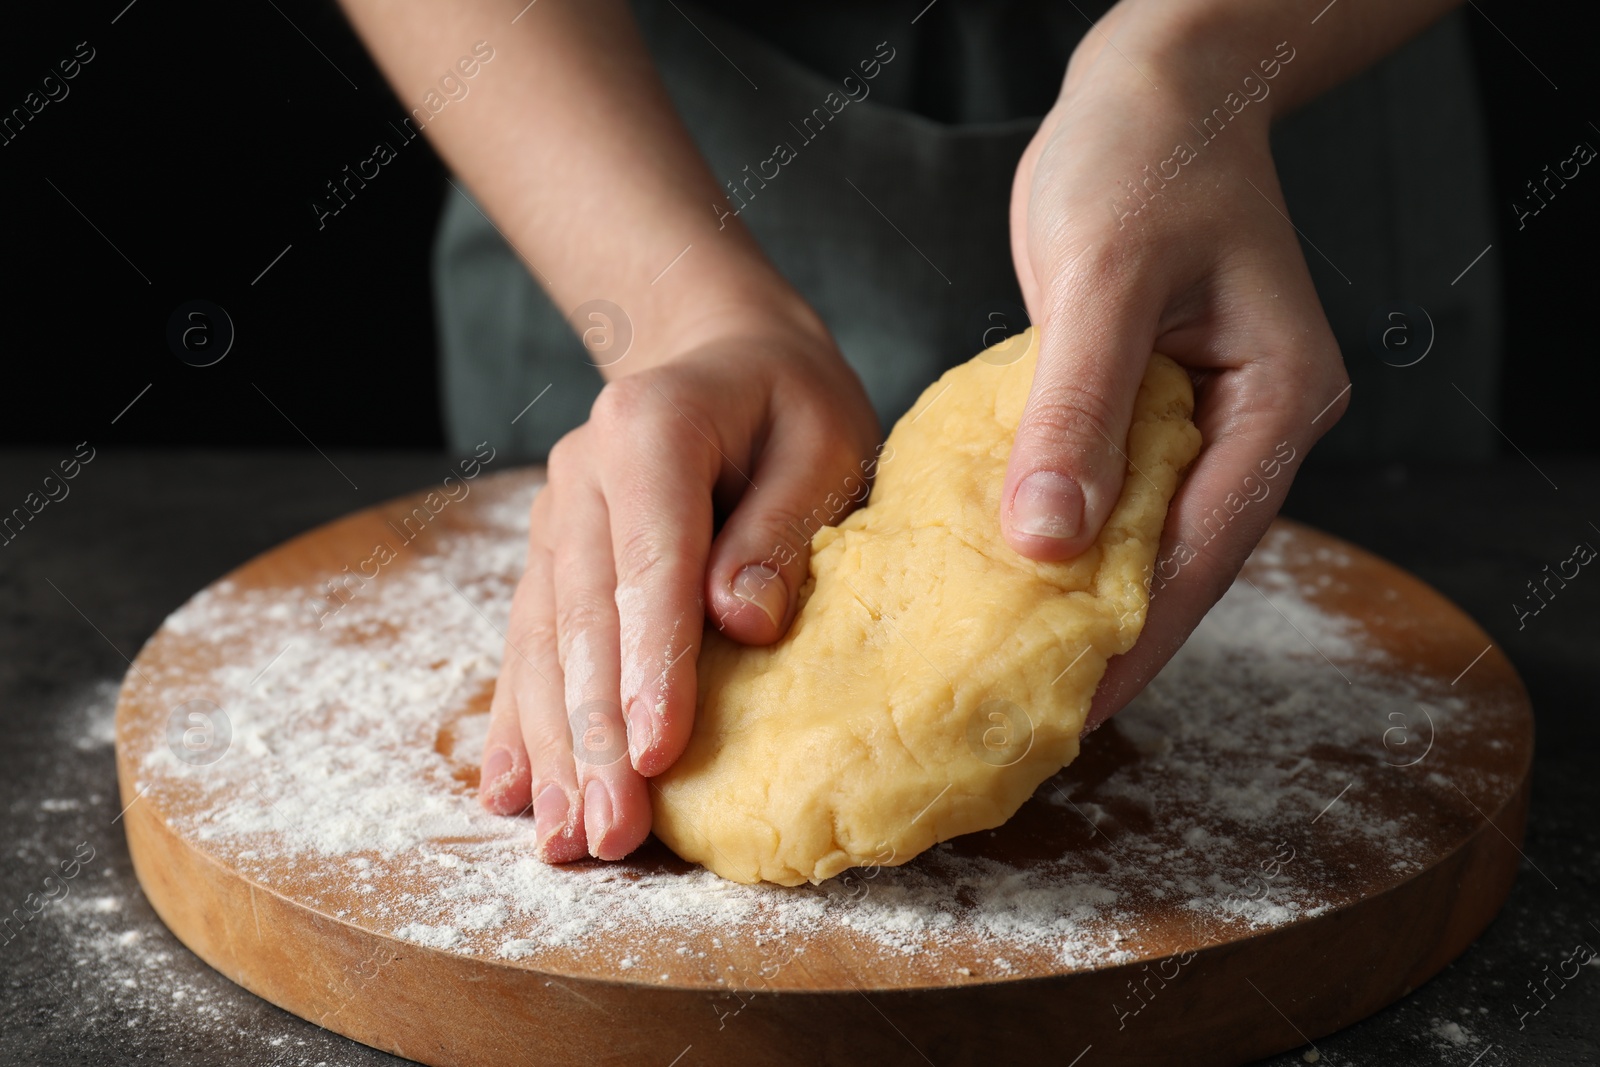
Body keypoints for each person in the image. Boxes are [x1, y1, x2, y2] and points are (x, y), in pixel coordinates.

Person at [338, 0, 1498, 863]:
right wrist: (678, 310)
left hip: (1287, 100)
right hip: (607, 138)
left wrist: (1199, 60)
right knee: (655, 591)